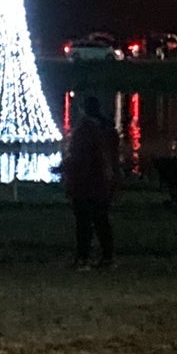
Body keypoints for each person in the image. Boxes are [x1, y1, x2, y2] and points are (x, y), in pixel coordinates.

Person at [61, 93, 121, 269]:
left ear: (82, 110)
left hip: (85, 183)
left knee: (84, 222)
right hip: (102, 183)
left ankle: (83, 258)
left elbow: (79, 158)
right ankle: (107, 257)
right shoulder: (108, 130)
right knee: (101, 220)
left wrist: (66, 171)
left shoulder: (84, 131)